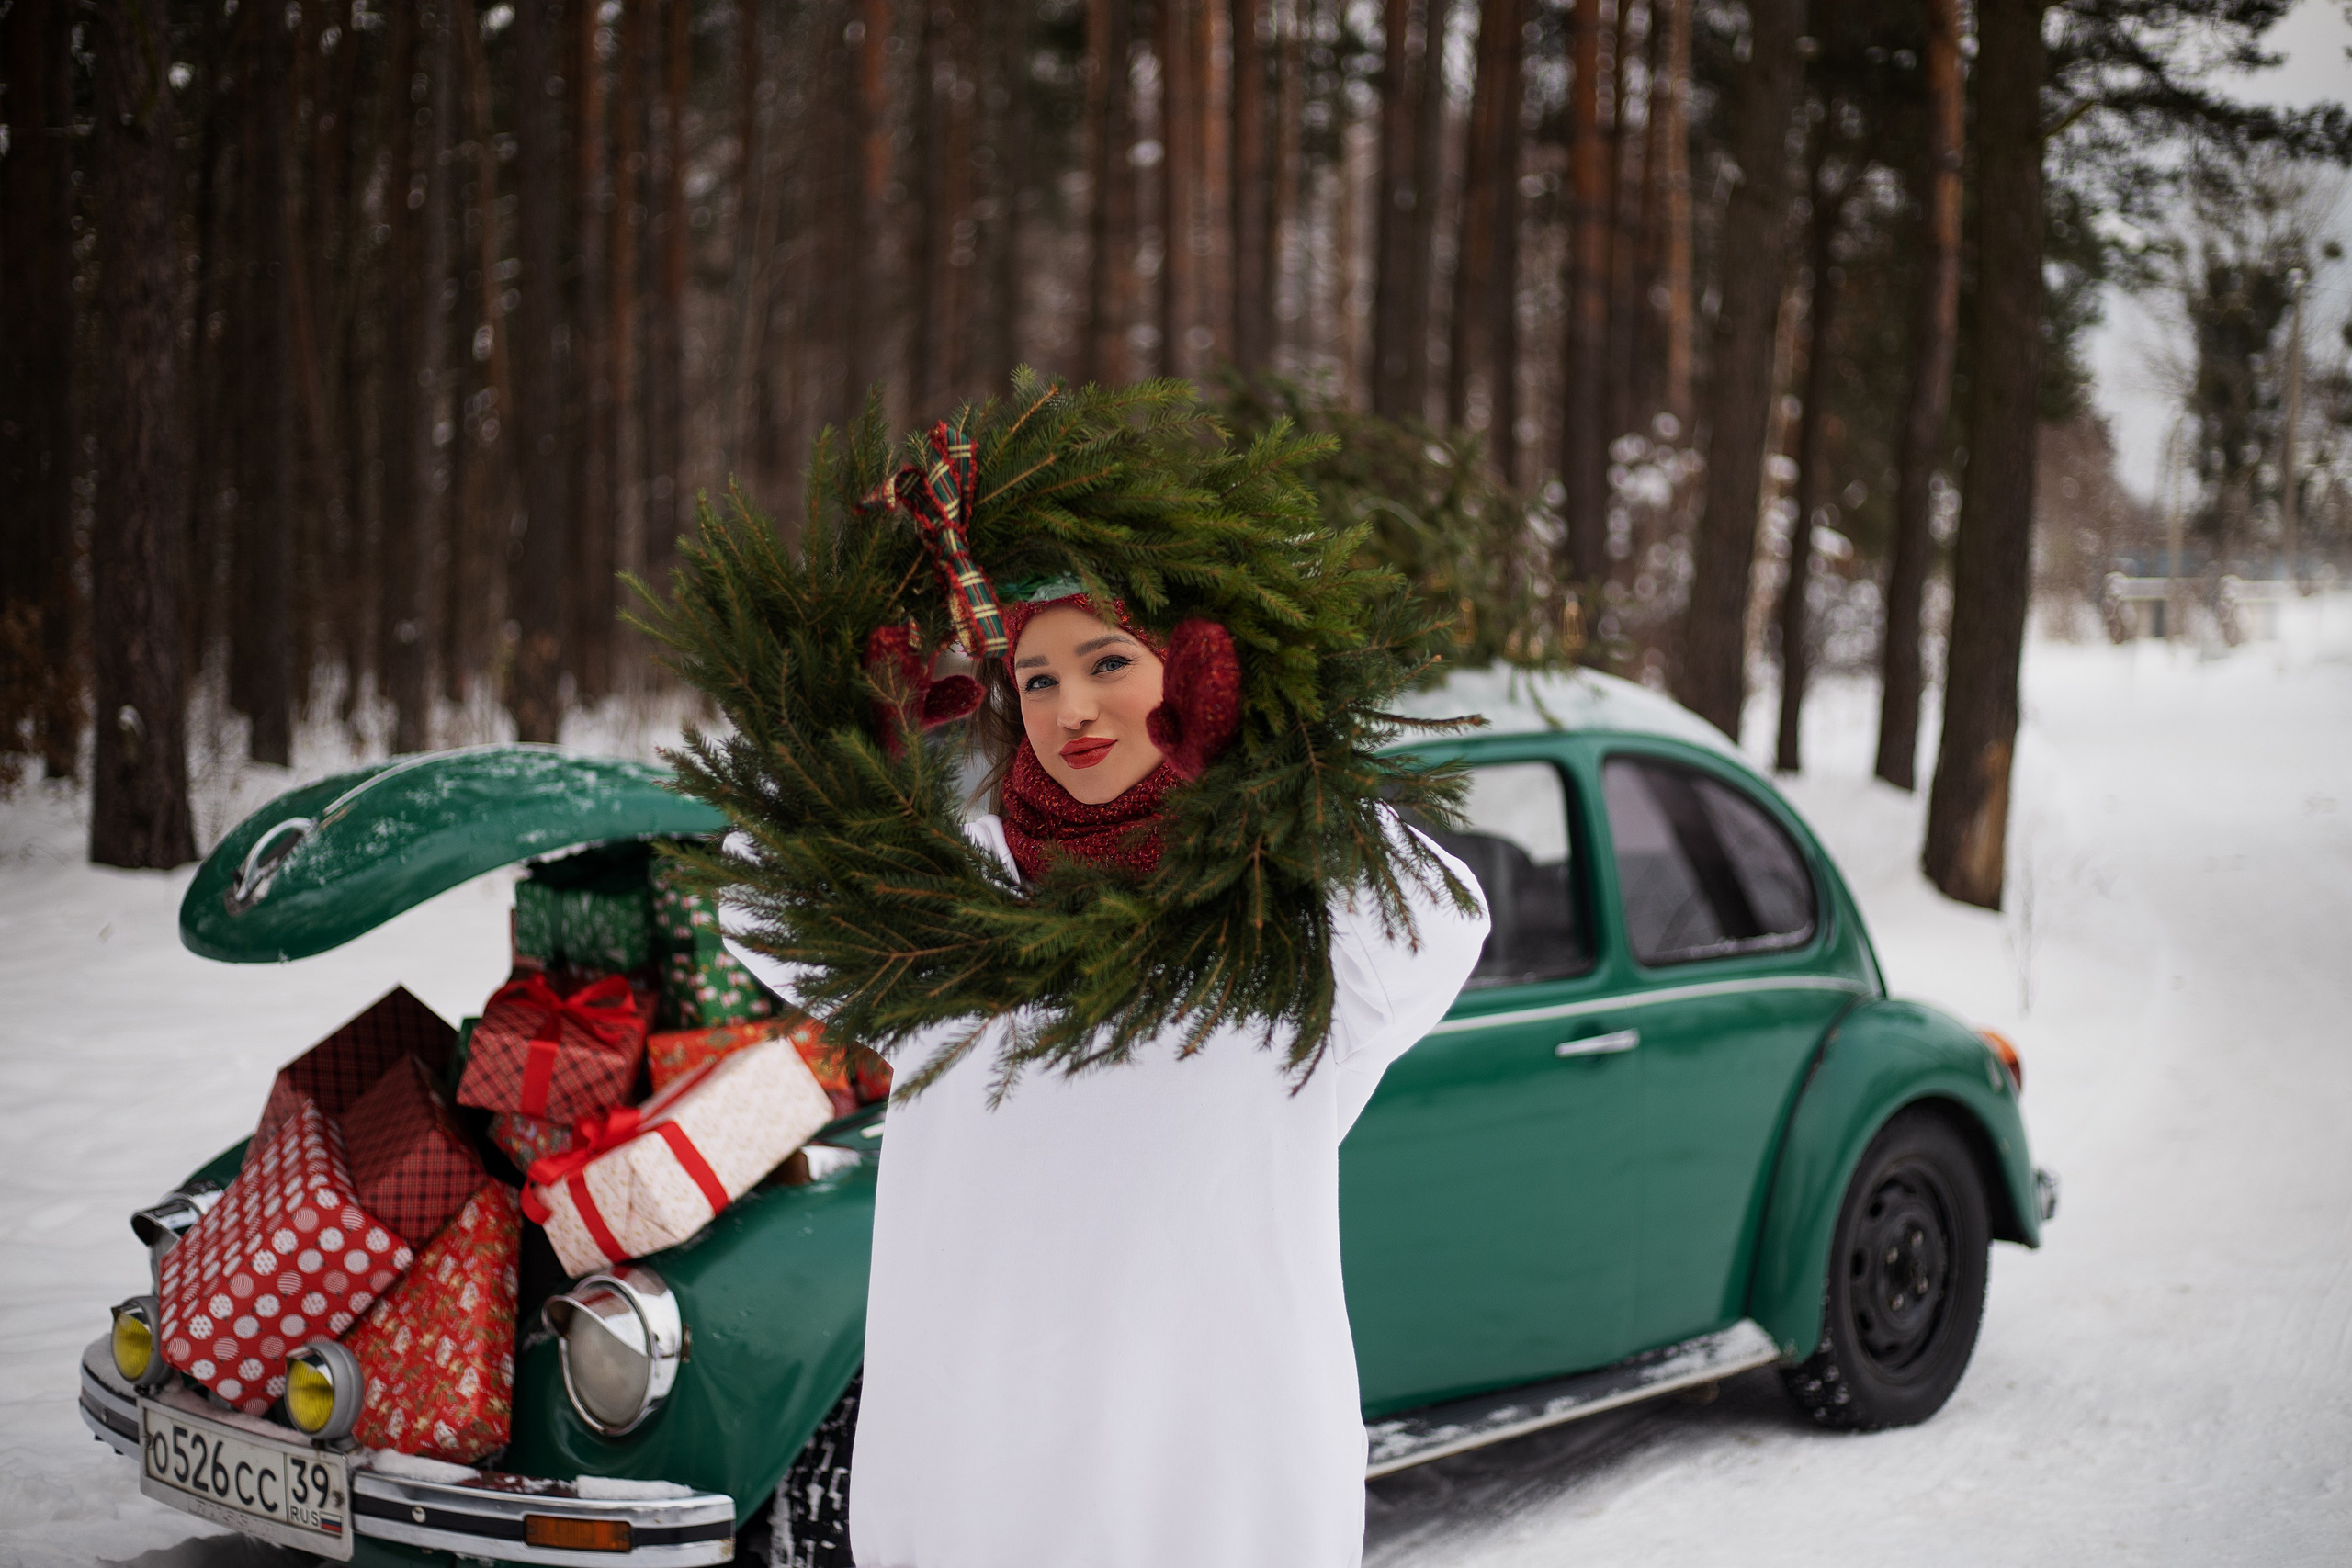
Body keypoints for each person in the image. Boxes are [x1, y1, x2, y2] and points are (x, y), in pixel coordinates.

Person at [728, 592, 1488, 1568]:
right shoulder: (953, 903)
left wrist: (1260, 764)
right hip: (984, 1477)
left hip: (1218, 1483)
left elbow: (1437, 920)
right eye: (1036, 680)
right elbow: (754, 898)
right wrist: (848, 740)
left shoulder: (1281, 908)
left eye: (1108, 665)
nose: (1069, 710)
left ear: (1192, 674)